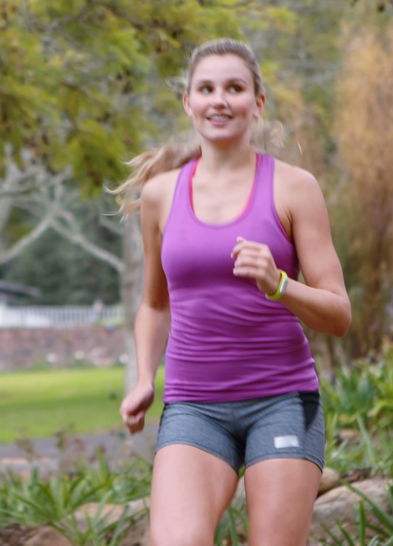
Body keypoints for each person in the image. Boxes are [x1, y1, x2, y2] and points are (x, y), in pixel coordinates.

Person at [115, 38, 351, 545]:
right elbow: (155, 304)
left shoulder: (294, 188)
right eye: (206, 88)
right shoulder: (161, 195)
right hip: (194, 406)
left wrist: (280, 284)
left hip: (283, 400)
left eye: (234, 88)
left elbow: (339, 314)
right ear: (189, 102)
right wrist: (142, 378)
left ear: (257, 103)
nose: (219, 100)